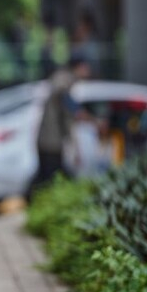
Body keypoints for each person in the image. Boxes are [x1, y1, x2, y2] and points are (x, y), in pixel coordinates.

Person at [30, 55, 92, 197]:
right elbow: (63, 97)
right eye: (85, 67)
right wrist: (78, 111)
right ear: (79, 67)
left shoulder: (64, 80)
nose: (88, 71)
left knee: (49, 177)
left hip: (49, 139)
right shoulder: (63, 79)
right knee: (50, 178)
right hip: (51, 141)